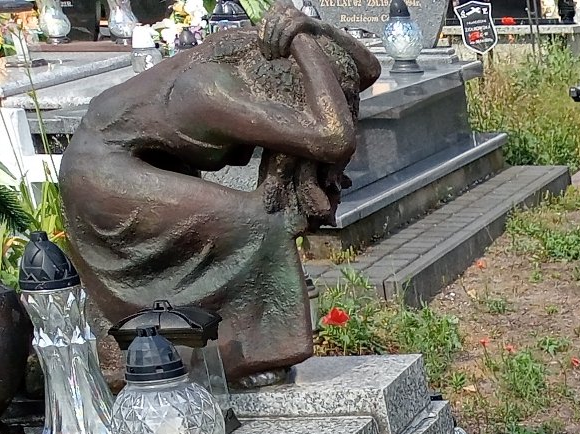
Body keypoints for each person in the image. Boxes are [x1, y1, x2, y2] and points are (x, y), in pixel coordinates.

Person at [59, 6, 380, 385]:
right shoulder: (211, 92)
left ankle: (199, 351)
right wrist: (304, 44)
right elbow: (334, 138)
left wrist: (307, 29)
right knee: (257, 224)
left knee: (252, 219)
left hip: (135, 161)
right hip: (102, 176)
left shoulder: (253, 58)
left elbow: (369, 70)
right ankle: (249, 357)